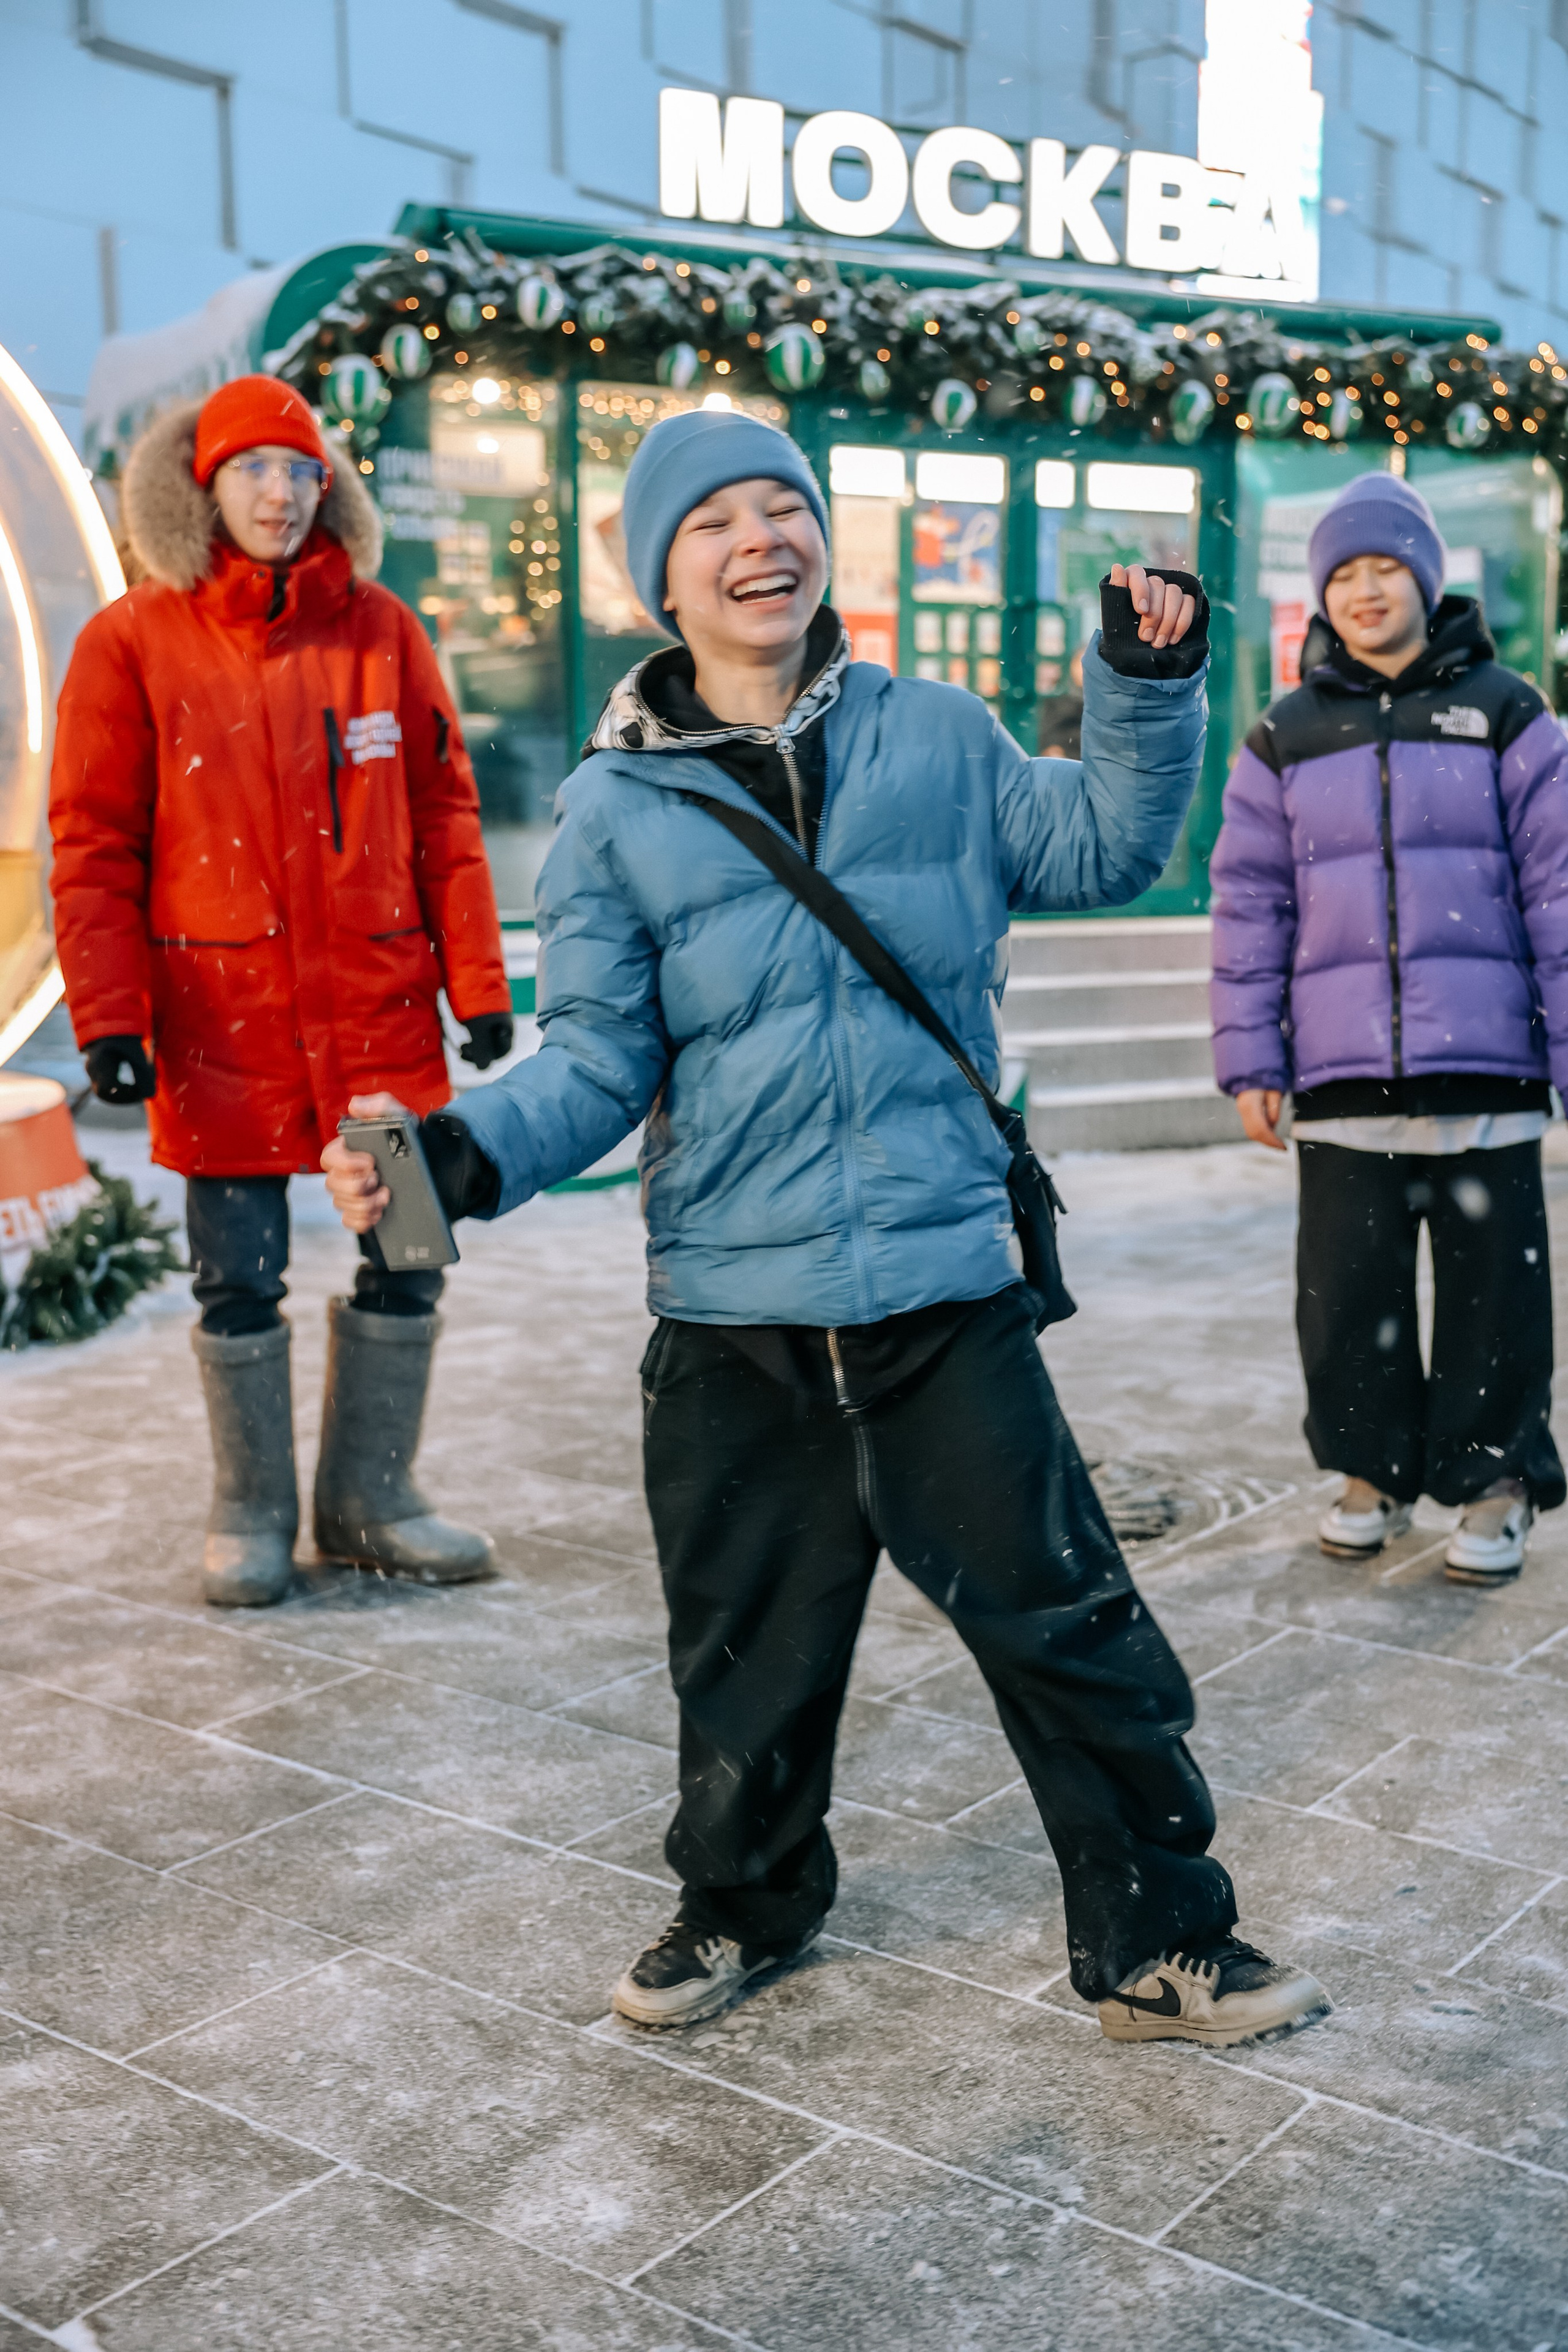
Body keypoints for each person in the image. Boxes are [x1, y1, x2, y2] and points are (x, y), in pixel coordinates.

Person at [325, 407, 1329, 2049]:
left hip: (941, 1283)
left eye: (783, 507)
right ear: (664, 576)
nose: (759, 541)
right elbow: (593, 1062)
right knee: (746, 1650)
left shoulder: (937, 733)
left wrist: (1146, 689)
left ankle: (1161, 1937)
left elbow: (1104, 844)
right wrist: (454, 1154)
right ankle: (747, 1901)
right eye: (714, 520)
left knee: (1069, 1624)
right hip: (737, 1303)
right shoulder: (613, 813)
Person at [50, 375, 513, 1610]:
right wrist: (109, 1018)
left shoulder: (383, 634)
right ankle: (248, 1508)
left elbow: (441, 815)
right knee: (236, 1277)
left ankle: (372, 1499)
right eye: (250, 471)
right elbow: (95, 841)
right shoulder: (130, 643)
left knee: (413, 1248)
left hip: (376, 1019)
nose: (276, 492)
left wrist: (477, 981)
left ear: (327, 491)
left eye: (298, 472)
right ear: (203, 491)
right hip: (222, 1027)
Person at [1210, 470, 1568, 1583]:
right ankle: (1369, 1471)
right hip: (1343, 1071)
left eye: (1386, 568)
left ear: (1426, 578)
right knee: (1348, 1297)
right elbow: (1250, 907)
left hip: (1485, 1069)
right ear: (1324, 595)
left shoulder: (1507, 713)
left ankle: (1494, 1482)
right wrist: (1250, 1057)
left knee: (1493, 1297)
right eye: (1346, 574)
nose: (1367, 591)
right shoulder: (1285, 735)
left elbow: (1560, 893)